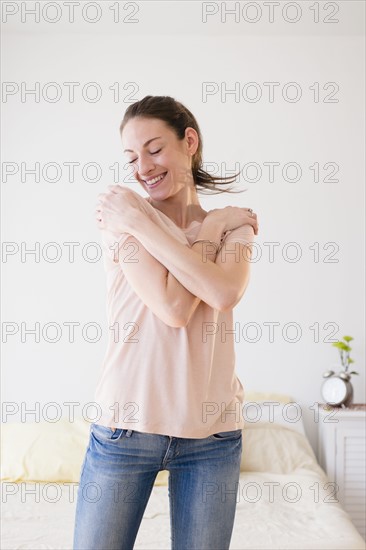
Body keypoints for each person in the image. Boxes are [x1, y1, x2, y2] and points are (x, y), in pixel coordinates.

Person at [73, 95, 259, 550]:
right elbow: (174, 309)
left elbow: (222, 292)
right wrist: (209, 230)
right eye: (132, 157)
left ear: (188, 141)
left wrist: (211, 225)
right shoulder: (122, 220)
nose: (142, 167)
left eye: (154, 149)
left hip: (211, 435)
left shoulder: (235, 225)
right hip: (125, 427)